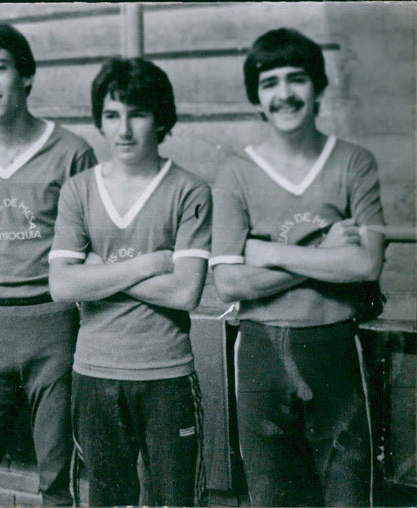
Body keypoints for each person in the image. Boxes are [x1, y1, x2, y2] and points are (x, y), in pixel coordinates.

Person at [210, 28, 384, 506]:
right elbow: (227, 282)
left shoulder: (354, 163)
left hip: (334, 347)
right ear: (257, 98)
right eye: (269, 83)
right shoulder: (235, 173)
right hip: (261, 355)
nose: (284, 94)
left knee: (347, 495)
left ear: (318, 88)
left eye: (297, 80)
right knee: (271, 498)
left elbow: (366, 263)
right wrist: (326, 249)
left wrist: (270, 252)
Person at [0, 23, 97, 506]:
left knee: (57, 480)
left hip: (54, 324)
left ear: (26, 76)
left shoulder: (73, 152)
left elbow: (94, 246)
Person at [48, 58, 211, 506]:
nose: (123, 129)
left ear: (161, 119)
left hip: (166, 373)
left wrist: (97, 272)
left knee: (175, 501)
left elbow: (185, 292)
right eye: (111, 115)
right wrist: (150, 264)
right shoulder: (78, 190)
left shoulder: (189, 190)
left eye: (136, 113)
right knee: (107, 499)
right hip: (95, 372)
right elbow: (61, 286)